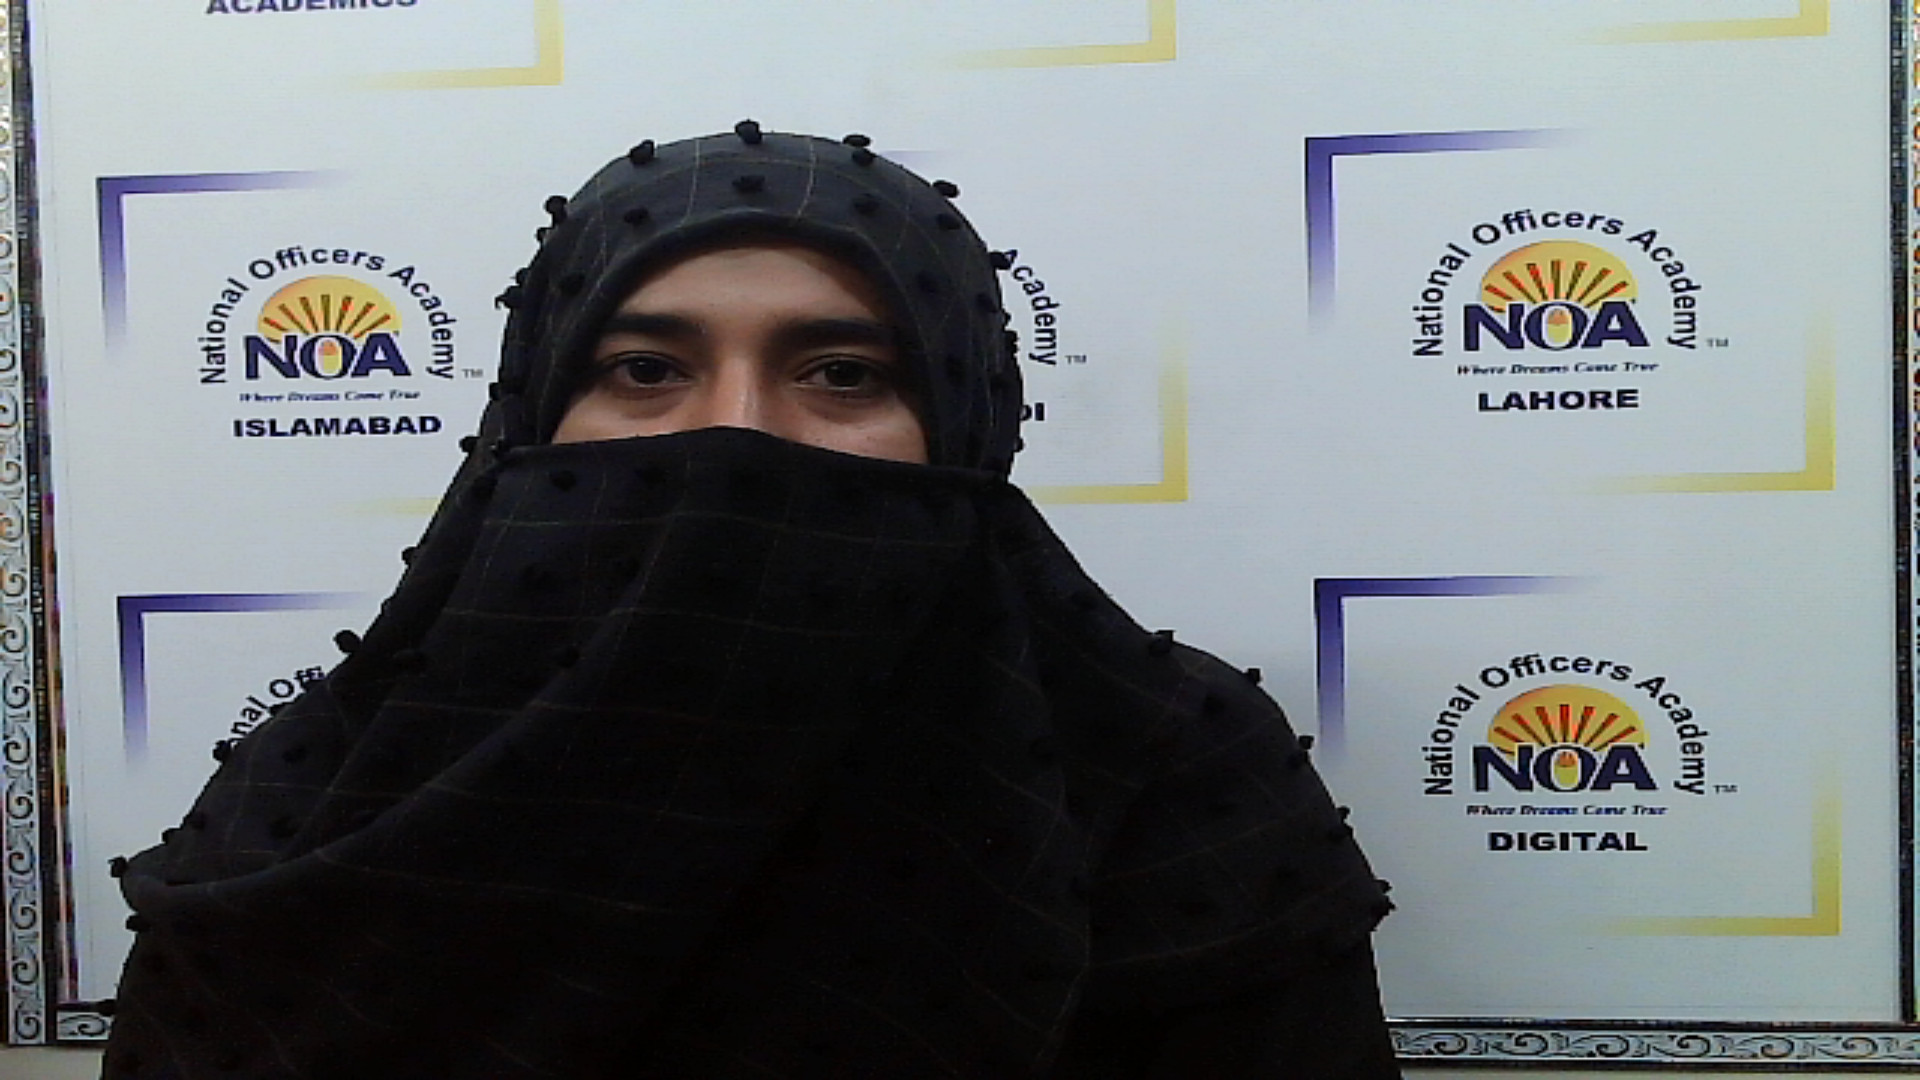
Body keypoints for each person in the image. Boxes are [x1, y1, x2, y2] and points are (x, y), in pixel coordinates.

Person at [102, 123, 1399, 1078]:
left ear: (965, 416)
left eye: (841, 373)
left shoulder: (1164, 772)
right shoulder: (337, 785)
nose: (737, 434)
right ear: (535, 414)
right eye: (644, 370)